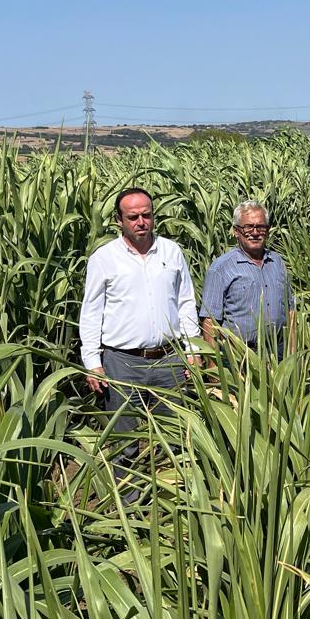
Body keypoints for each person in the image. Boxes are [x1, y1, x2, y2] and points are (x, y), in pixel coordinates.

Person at [77, 188, 200, 482]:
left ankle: (177, 498)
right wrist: (92, 361)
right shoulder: (104, 258)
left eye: (146, 215)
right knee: (125, 441)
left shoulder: (171, 252)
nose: (141, 222)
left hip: (169, 360)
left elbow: (185, 303)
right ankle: (130, 507)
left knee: (175, 436)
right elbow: (92, 311)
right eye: (133, 217)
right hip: (122, 363)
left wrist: (193, 350)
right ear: (119, 220)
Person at [201, 199, 293, 352]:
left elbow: (290, 310)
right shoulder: (221, 268)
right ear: (236, 231)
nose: (255, 233)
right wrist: (215, 369)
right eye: (248, 227)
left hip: (278, 352)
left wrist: (292, 352)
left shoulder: (277, 262)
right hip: (240, 355)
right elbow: (210, 321)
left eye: (261, 227)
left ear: (268, 230)